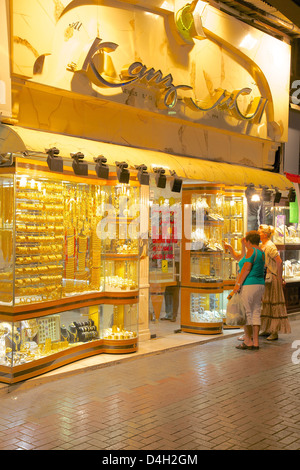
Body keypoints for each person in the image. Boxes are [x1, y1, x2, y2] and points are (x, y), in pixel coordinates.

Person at [224, 231, 265, 350]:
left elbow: (246, 269)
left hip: (249, 285)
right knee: (256, 313)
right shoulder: (260, 252)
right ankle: (256, 342)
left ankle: (248, 340)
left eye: (245, 241)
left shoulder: (252, 250)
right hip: (259, 284)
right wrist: (235, 247)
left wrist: (237, 285)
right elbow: (240, 257)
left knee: (247, 313)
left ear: (248, 241)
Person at [258, 224, 291, 340]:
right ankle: (267, 328)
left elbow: (279, 261)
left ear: (265, 234)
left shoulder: (270, 246)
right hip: (266, 277)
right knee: (267, 303)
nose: (258, 233)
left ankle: (275, 331)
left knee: (273, 303)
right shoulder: (263, 245)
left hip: (272, 278)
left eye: (260, 231)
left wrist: (279, 276)